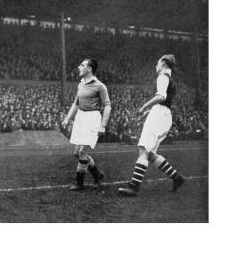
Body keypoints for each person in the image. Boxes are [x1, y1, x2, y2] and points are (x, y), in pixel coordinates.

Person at [118, 54, 184, 197]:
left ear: (164, 64)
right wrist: (148, 111)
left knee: (143, 149)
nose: (156, 65)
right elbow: (164, 102)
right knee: (151, 154)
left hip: (159, 115)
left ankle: (133, 187)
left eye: (157, 62)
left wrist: (143, 107)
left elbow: (161, 97)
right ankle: (177, 178)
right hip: (165, 115)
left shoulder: (163, 76)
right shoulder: (170, 78)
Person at [62, 59, 112, 191]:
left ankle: (79, 183)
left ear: (90, 69)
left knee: (83, 151)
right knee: (77, 153)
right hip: (80, 118)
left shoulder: (100, 86)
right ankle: (97, 174)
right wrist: (68, 118)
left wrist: (103, 125)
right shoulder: (81, 84)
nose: (79, 67)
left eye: (82, 65)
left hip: (92, 118)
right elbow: (76, 103)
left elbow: (107, 106)